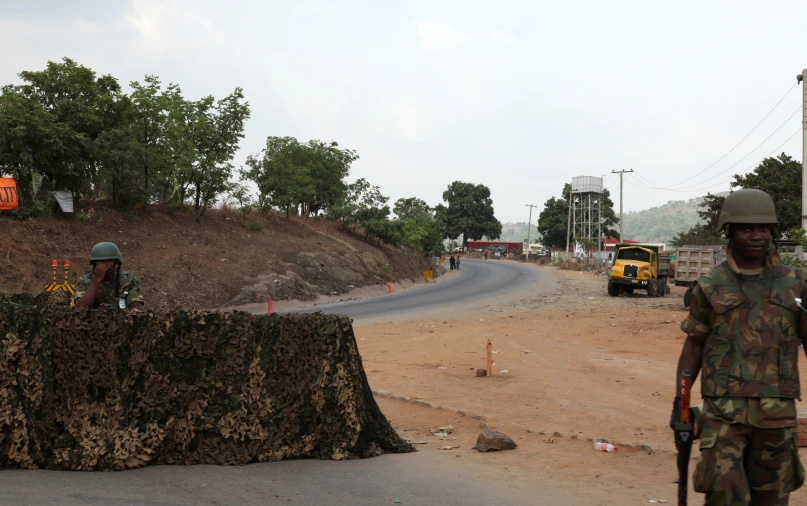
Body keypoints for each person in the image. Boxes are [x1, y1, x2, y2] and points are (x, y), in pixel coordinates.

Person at [672, 189, 805, 505]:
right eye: (746, 228)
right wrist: (681, 403)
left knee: (772, 500)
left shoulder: (795, 284)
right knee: (724, 498)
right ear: (729, 232)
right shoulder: (710, 285)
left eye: (763, 228)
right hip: (723, 420)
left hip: (777, 419)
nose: (756, 235)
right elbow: (693, 348)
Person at [75, 242, 145, 309]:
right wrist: (96, 281)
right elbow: (80, 307)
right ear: (95, 263)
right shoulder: (85, 281)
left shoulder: (129, 280)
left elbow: (137, 308)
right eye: (101, 261)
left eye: (109, 261)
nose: (105, 265)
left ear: (115, 263)